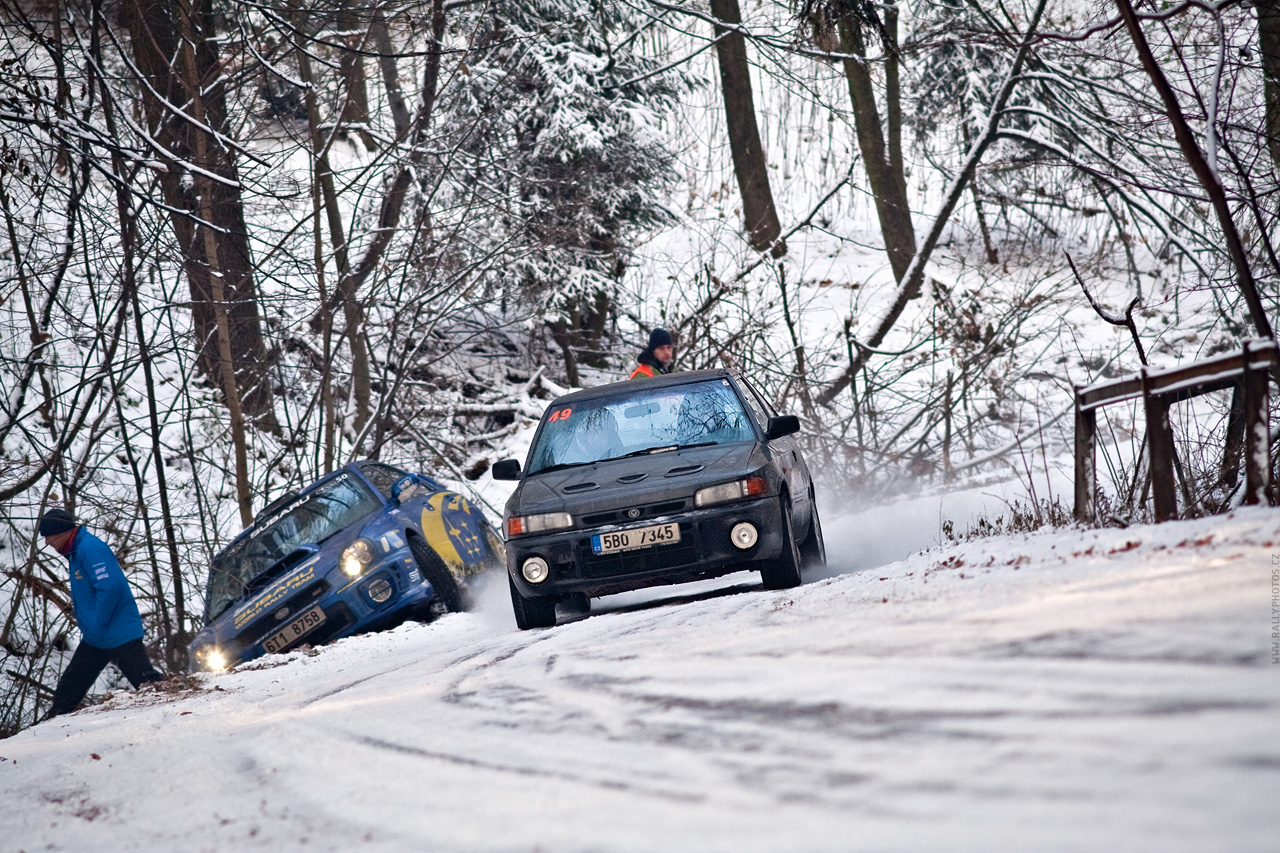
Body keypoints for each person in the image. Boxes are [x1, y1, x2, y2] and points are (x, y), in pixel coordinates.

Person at [38, 508, 162, 719]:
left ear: (61, 531)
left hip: (118, 634)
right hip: (98, 638)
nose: (48, 543)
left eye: (48, 537)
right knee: (69, 688)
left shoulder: (90, 548)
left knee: (150, 686)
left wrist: (97, 623)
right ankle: (48, 727)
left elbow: (110, 587)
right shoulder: (76, 551)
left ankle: (178, 709)